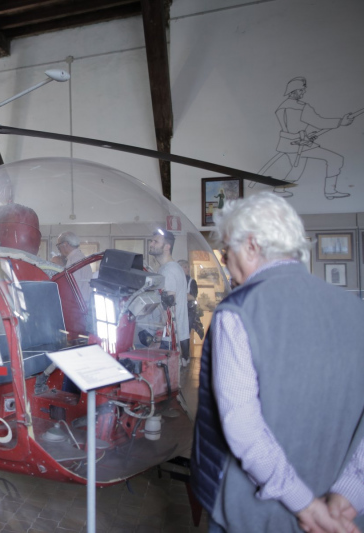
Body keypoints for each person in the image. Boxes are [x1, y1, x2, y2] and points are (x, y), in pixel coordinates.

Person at [191, 192, 364, 533]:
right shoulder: (355, 310)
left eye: (226, 250)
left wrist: (306, 505)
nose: (225, 260)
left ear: (251, 245)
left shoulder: (239, 310)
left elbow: (243, 426)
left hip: (251, 514)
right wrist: (349, 494)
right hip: (340, 516)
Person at [273, 77, 356, 199]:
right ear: (293, 91)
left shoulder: (282, 106)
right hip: (299, 145)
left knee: (296, 172)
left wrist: (307, 135)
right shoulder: (301, 107)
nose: (303, 92)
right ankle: (330, 191)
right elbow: (319, 122)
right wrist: (340, 122)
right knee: (336, 159)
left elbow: (292, 128)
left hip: (288, 143)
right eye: (301, 90)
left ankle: (278, 189)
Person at [148, 229, 190, 365]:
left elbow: (168, 308)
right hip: (172, 337)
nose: (151, 244)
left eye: (156, 242)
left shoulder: (168, 271)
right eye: (151, 241)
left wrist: (158, 338)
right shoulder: (171, 268)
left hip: (167, 339)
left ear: (167, 247)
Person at [55, 232, 92, 302]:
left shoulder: (74, 260)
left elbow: (73, 285)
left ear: (65, 244)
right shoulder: (78, 257)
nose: (59, 249)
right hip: (83, 301)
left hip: (78, 303)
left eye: (58, 245)